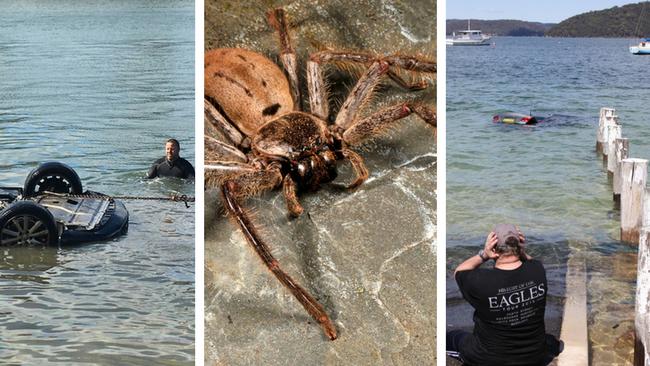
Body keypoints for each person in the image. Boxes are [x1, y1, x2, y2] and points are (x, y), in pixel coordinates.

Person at [447, 224, 562, 366]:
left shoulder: (481, 282)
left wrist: (484, 254)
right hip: (534, 356)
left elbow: (459, 271)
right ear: (520, 246)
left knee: (451, 338)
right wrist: (521, 250)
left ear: (493, 249)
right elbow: (531, 261)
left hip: (490, 358)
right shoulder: (537, 270)